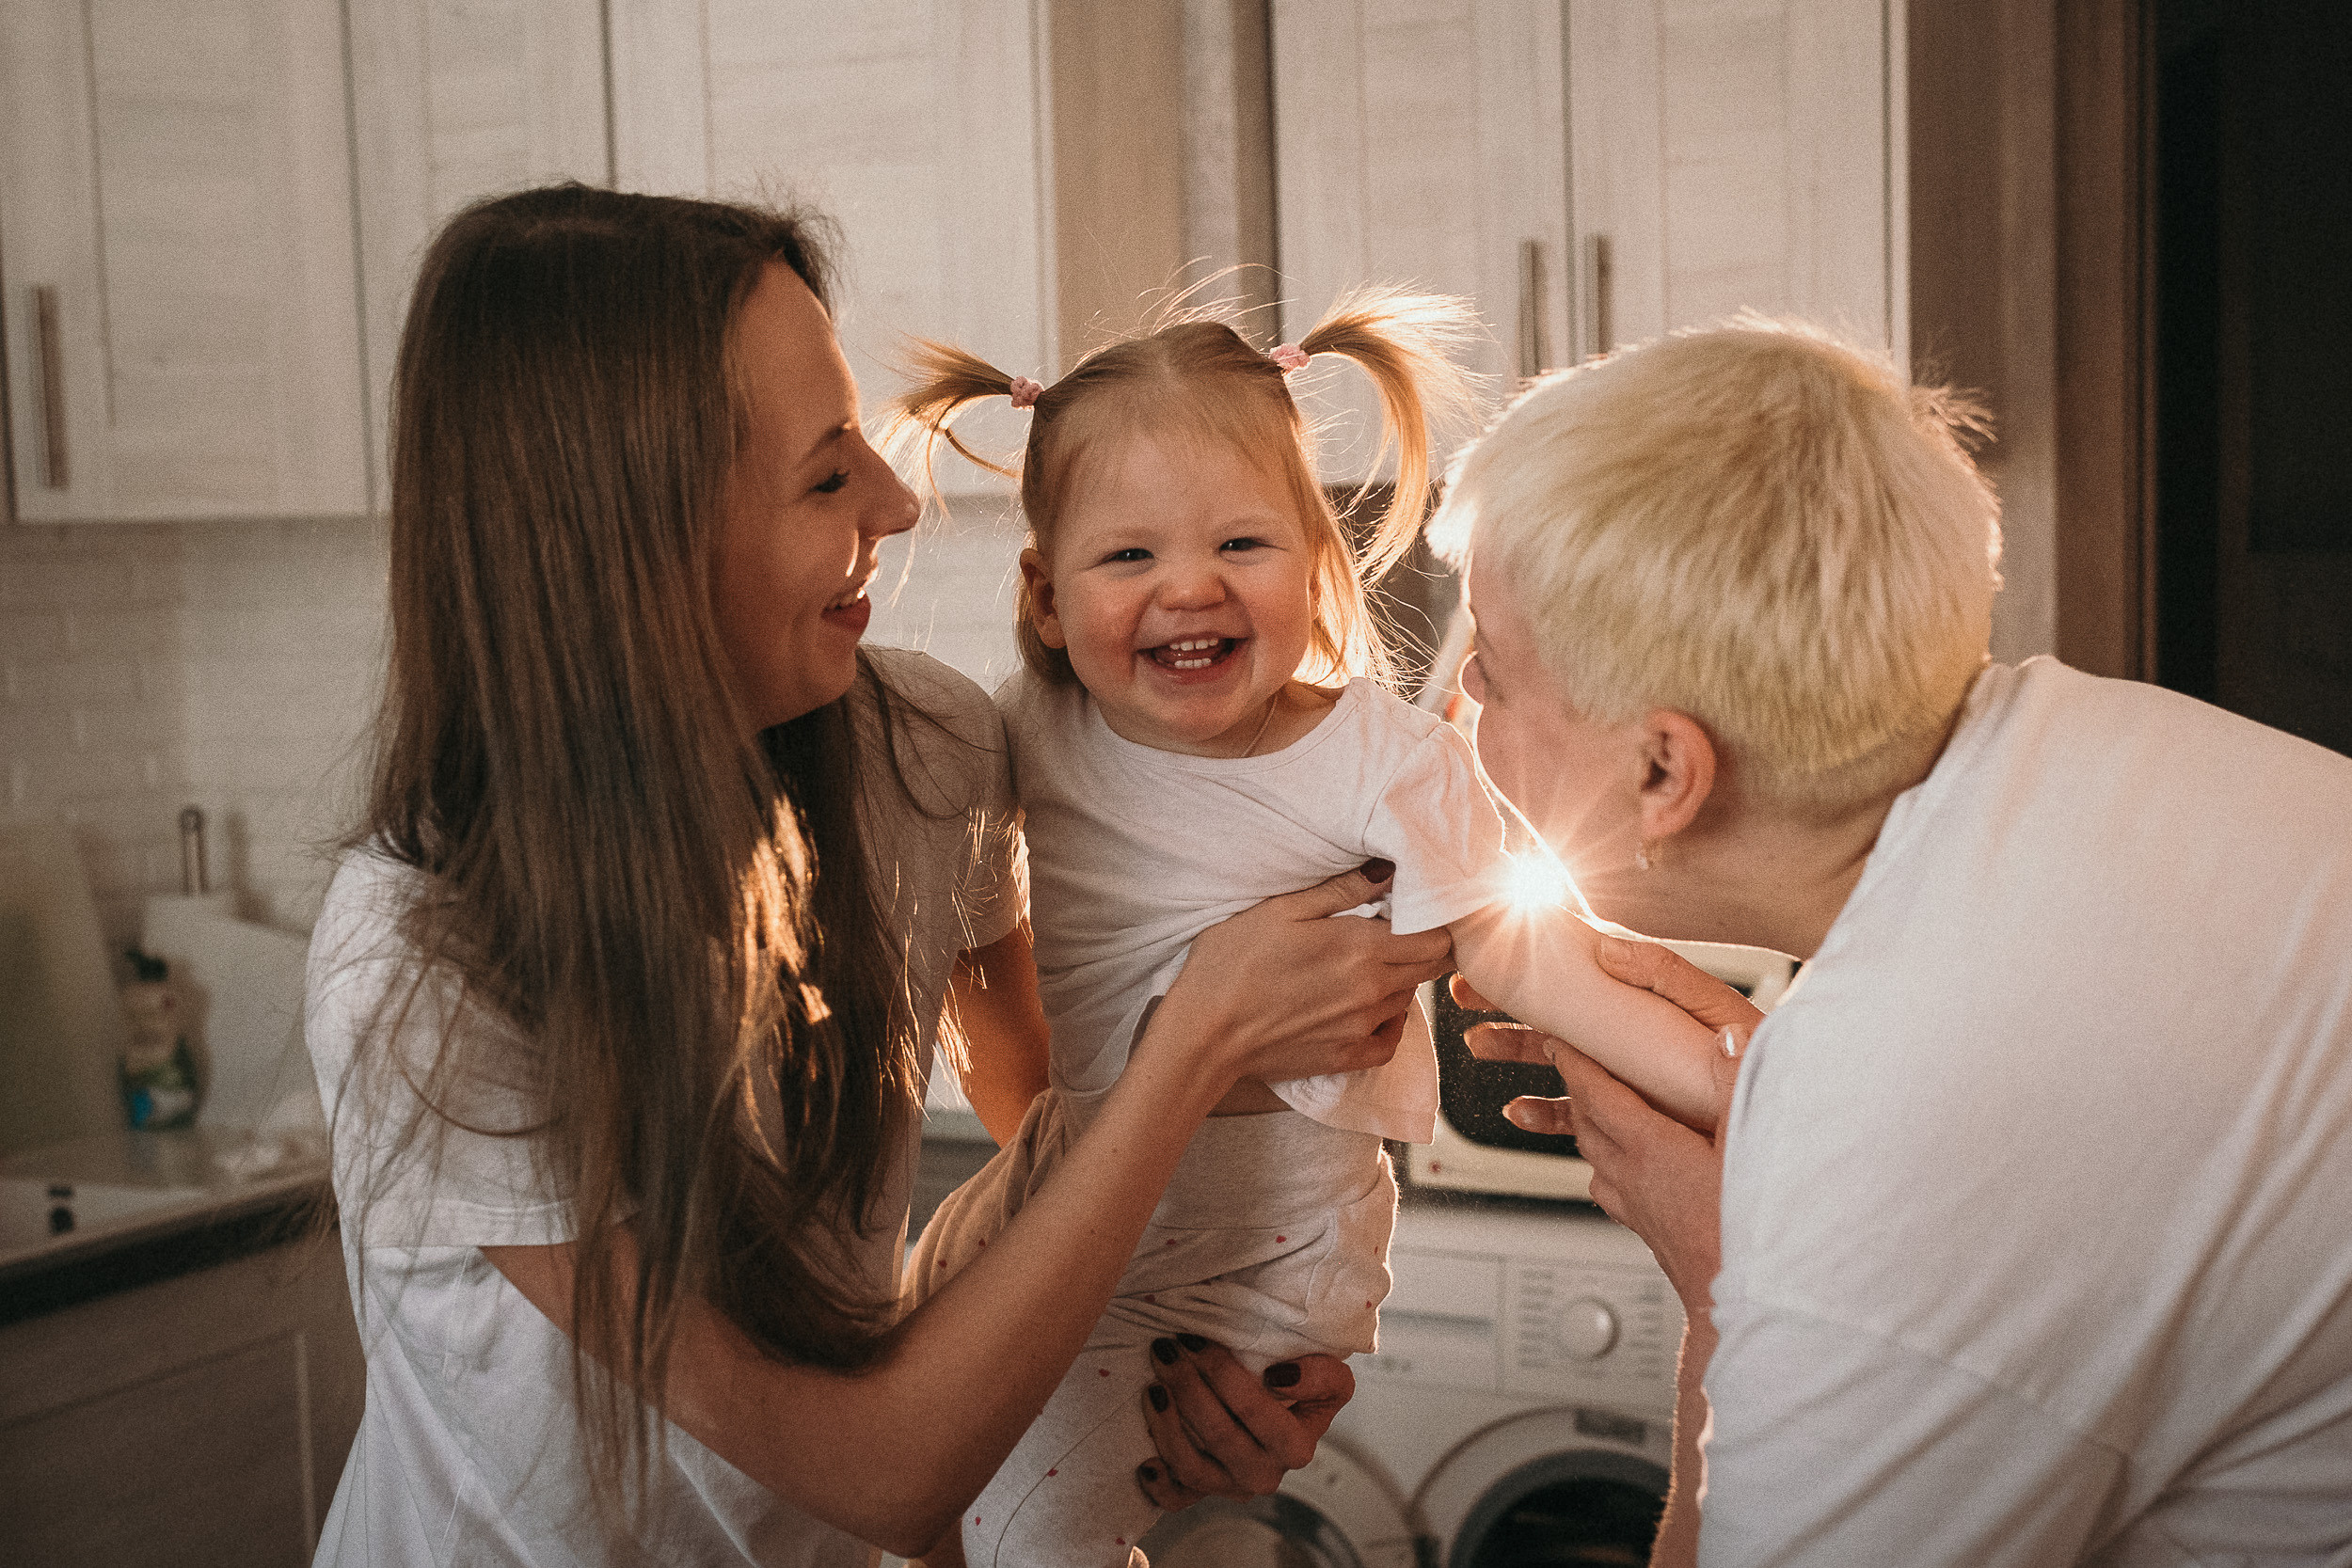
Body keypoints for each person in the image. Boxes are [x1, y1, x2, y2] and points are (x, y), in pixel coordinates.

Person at [300, 183, 1456, 1568]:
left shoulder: (925, 750)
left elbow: (1042, 1095)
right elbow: (885, 1476)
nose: (902, 503)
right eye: (826, 470)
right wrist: (1202, 1037)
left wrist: (1187, 1322)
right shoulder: (425, 963)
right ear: (636, 543)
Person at [1429, 316, 2352, 1564]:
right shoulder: (2112, 741)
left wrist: (1728, 1290)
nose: (1461, 704)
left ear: (1663, 772)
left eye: (1492, 668)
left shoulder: (1905, 1127)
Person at [884, 294, 1725, 1567]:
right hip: (1057, 1185)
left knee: (1023, 1548)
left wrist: (1747, 1092)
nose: (1189, 585)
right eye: (1128, 558)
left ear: (1317, 558)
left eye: (1241, 541)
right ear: (1047, 598)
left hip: (1248, 1248)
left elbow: (1521, 957)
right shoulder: (1027, 731)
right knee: (899, 1473)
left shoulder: (1379, 761)